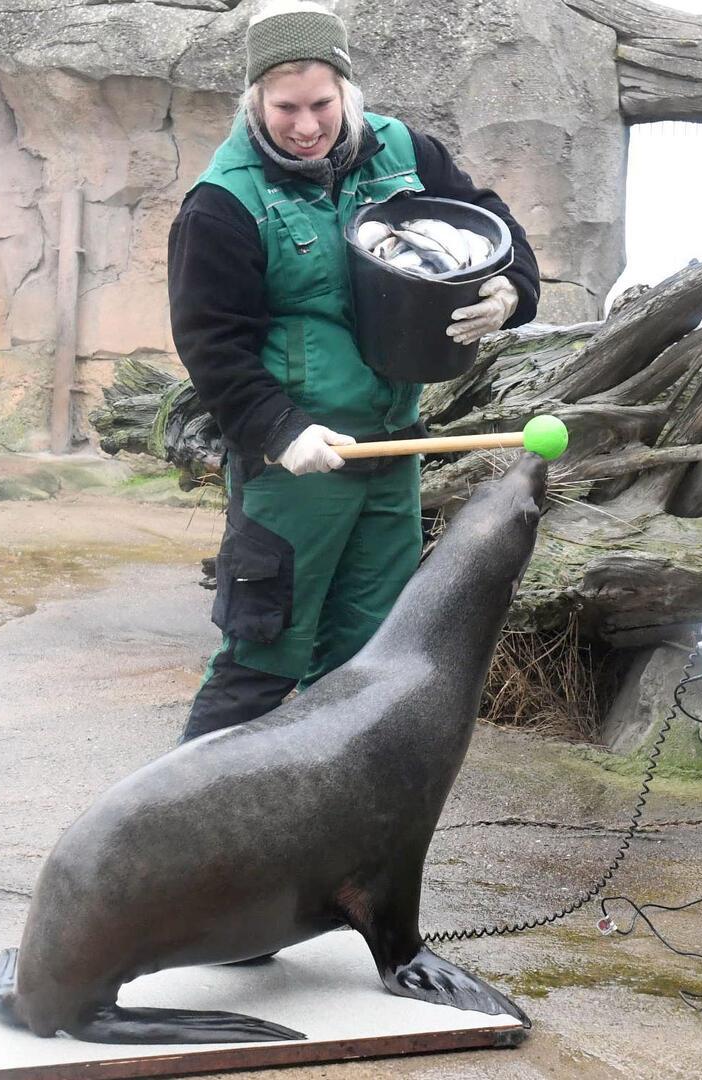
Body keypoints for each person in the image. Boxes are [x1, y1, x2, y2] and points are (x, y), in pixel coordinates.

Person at [167, 0, 540, 743]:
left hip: (391, 451)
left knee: (366, 660)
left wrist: (511, 290)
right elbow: (210, 343)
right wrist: (280, 429)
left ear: (346, 92)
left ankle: (322, 846)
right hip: (295, 468)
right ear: (254, 103)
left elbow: (491, 221)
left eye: (321, 104)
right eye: (285, 108)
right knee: (263, 658)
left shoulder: (404, 152)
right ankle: (168, 844)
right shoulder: (222, 203)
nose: (305, 126)